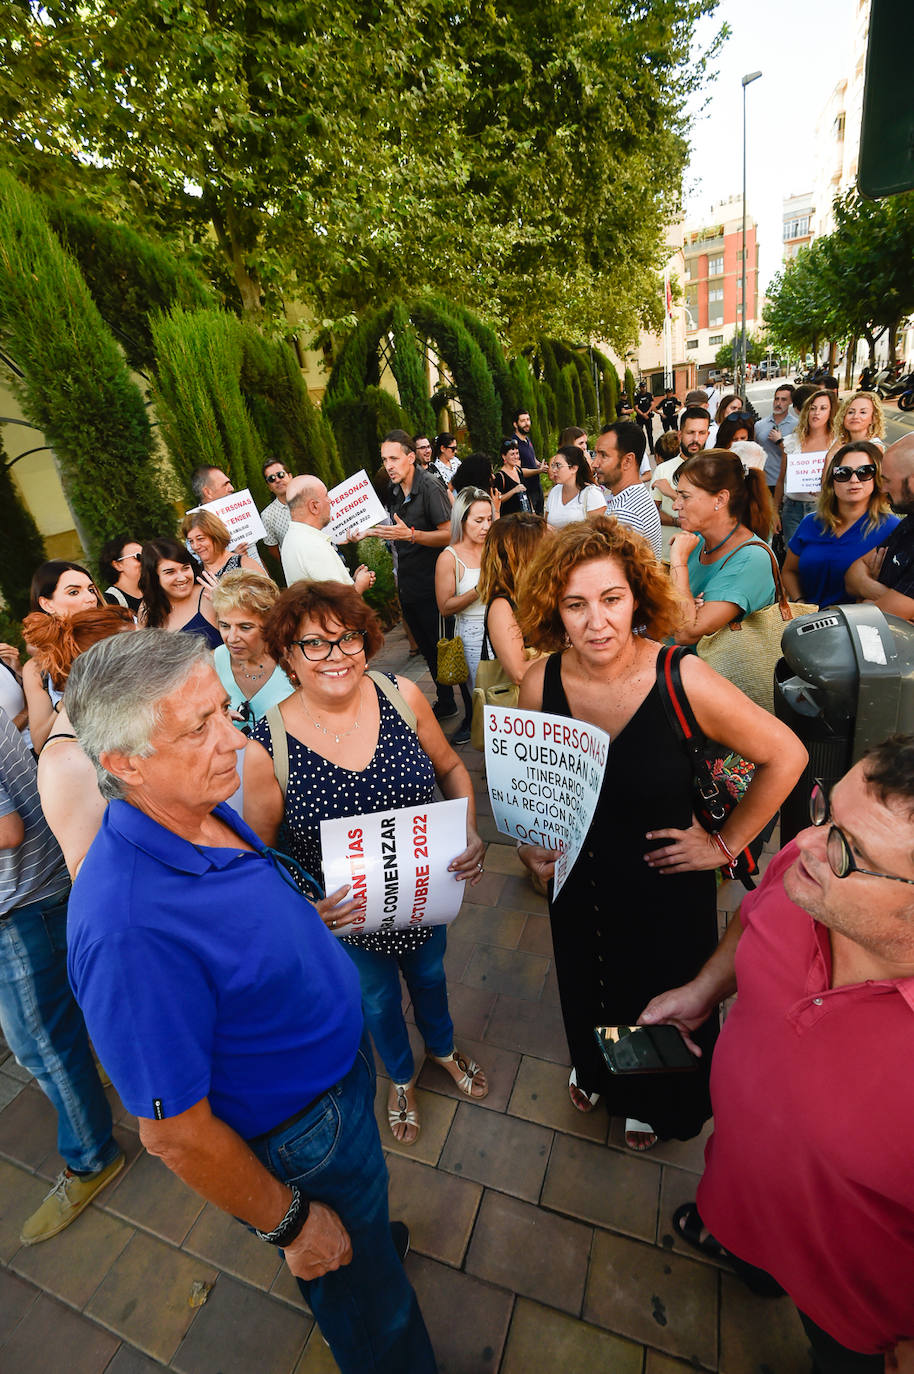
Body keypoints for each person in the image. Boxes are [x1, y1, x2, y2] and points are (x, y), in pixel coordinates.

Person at [64, 630, 437, 1374]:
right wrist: (294, 1225)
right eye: (200, 727)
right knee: (376, 1319)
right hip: (300, 1134)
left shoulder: (193, 805)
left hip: (337, 1078)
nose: (234, 739)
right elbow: (172, 1134)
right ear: (123, 763)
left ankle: (364, 1239)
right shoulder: (127, 927)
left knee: (363, 1236)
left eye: (224, 712)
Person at [513, 519, 805, 1148]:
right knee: (585, 980)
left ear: (637, 598)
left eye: (611, 599)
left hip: (664, 889)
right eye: (576, 605)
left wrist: (726, 844)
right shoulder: (541, 683)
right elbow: (534, 783)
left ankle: (648, 1098)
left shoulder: (682, 679)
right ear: (554, 611)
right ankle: (597, 1067)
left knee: (658, 995)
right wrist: (530, 843)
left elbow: (787, 755)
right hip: (579, 885)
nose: (597, 622)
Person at [642, 741, 914, 1374]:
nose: (807, 843)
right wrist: (706, 988)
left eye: (849, 850)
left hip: (855, 1306)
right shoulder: (808, 868)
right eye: (825, 812)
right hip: (743, 1188)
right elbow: (755, 911)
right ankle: (751, 1257)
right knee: (749, 1250)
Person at [252, 581, 487, 1148]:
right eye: (315, 644)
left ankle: (443, 1048)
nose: (337, 656)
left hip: (423, 893)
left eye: (348, 638)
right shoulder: (268, 745)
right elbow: (258, 857)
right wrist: (306, 908)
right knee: (376, 999)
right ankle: (401, 1077)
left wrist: (468, 827)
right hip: (346, 920)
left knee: (431, 976)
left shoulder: (402, 694)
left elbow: (453, 769)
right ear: (287, 655)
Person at [0, 706, 125, 1246]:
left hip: (19, 902)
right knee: (69, 1016)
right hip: (43, 885)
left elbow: (7, 830)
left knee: (41, 1045)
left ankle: (92, 1158)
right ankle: (103, 1080)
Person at [26, 606, 135, 877]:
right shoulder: (67, 760)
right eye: (137, 652)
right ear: (102, 667)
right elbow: (88, 870)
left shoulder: (118, 723)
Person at [369, 431, 457, 720]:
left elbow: (448, 534)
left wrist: (412, 535)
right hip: (409, 584)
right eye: (384, 460)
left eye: (394, 458)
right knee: (429, 653)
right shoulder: (396, 490)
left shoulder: (430, 486)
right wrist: (365, 533)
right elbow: (394, 531)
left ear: (410, 457)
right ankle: (446, 703)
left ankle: (468, 710)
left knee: (444, 649)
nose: (389, 465)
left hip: (433, 585)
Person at [669, 452, 777, 645]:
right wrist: (684, 606)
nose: (676, 505)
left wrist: (678, 562)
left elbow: (684, 633)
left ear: (720, 499)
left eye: (685, 496)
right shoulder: (698, 542)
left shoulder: (751, 559)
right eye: (677, 495)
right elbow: (671, 611)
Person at [782, 442, 898, 609]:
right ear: (832, 480)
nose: (854, 480)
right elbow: (789, 571)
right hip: (808, 625)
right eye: (843, 473)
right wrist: (801, 603)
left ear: (877, 477)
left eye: (865, 472)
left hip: (859, 628)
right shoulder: (810, 523)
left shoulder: (892, 529)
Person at [435, 488, 494, 745]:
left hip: (503, 629)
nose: (485, 526)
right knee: (483, 700)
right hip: (472, 638)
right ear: (462, 520)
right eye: (478, 520)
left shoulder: (494, 548)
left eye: (489, 519)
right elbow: (445, 606)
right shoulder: (450, 558)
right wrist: (480, 590)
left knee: (507, 696)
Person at [23, 561, 102, 752]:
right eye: (74, 592)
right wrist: (67, 702)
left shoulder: (121, 637)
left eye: (91, 589)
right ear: (47, 604)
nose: (90, 598)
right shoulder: (38, 669)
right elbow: (40, 742)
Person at [210, 570, 294, 731]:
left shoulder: (295, 661)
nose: (232, 637)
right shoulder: (212, 662)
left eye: (245, 627)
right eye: (225, 626)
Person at [845, 434, 914, 617]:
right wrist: (879, 595)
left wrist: (866, 598)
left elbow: (880, 619)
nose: (882, 489)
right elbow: (852, 576)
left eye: (888, 481)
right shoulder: (909, 523)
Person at [477, 513, 550, 685]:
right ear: (525, 555)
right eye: (545, 547)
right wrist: (573, 658)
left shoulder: (538, 593)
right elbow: (519, 673)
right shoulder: (502, 606)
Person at [280, 476, 375, 594]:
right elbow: (340, 602)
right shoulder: (312, 545)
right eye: (326, 495)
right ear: (314, 506)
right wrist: (360, 586)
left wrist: (351, 581)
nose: (330, 501)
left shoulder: (294, 537)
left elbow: (325, 591)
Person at [774, 389, 838, 541]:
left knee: (820, 557)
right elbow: (781, 478)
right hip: (792, 509)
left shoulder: (838, 443)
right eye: (812, 408)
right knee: (793, 555)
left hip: (824, 508)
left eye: (823, 408)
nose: (816, 413)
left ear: (831, 412)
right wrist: (774, 511)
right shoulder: (791, 441)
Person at [591, 422, 662, 558]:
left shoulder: (625, 515)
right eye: (596, 455)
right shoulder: (635, 496)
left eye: (603, 455)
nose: (595, 464)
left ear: (628, 461)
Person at [138, 537, 222, 649]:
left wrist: (227, 603)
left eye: (185, 568)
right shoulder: (147, 609)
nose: (182, 578)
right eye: (170, 572)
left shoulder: (210, 594)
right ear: (154, 577)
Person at [190, 465, 265, 569]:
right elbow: (203, 570)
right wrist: (232, 559)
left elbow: (255, 553)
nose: (232, 488)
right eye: (225, 485)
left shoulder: (239, 512)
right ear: (208, 492)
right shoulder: (194, 528)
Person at [181, 508, 261, 579]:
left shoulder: (245, 565)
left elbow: (268, 595)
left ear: (216, 536)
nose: (195, 546)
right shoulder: (195, 574)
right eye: (191, 541)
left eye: (200, 539)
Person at [544, 445, 607, 529]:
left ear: (574, 468)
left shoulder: (592, 494)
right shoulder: (555, 491)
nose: (554, 470)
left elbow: (597, 532)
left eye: (558, 465)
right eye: (553, 466)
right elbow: (545, 523)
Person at [755, 383, 798, 494]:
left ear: (791, 402)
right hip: (763, 482)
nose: (778, 403)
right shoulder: (759, 425)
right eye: (776, 399)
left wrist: (780, 442)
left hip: (786, 482)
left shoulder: (797, 426)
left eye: (784, 400)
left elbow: (797, 454)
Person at [826, 390, 886, 461]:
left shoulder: (875, 447)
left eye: (863, 412)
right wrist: (829, 456)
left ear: (873, 419)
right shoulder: (838, 443)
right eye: (850, 412)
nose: (855, 416)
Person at [259, 459, 295, 574]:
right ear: (269, 486)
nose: (277, 480)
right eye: (272, 479)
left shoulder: (309, 498)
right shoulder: (267, 516)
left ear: (290, 476)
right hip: (297, 572)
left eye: (280, 475)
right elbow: (273, 548)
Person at [512, 408, 546, 513]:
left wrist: (540, 464)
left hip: (537, 486)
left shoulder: (527, 439)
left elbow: (532, 458)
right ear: (515, 424)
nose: (527, 423)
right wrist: (538, 471)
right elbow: (518, 471)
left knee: (541, 517)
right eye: (523, 421)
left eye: (528, 419)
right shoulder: (514, 444)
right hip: (526, 490)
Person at [99, 536, 144, 613]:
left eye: (146, 557)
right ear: (117, 565)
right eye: (139, 557)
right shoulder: (109, 603)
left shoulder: (156, 589)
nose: (145, 562)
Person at [493, 437, 532, 516]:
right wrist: (514, 490)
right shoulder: (500, 476)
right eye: (512, 454)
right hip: (511, 520)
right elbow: (498, 499)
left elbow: (527, 493)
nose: (516, 457)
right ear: (504, 456)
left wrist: (533, 511)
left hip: (525, 517)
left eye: (517, 453)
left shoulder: (518, 470)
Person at [634, 382, 655, 448]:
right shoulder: (637, 396)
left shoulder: (649, 395)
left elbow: (652, 405)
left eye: (644, 387)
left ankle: (652, 449)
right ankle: (641, 449)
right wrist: (643, 414)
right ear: (640, 388)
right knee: (640, 434)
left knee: (650, 434)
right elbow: (636, 408)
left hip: (648, 417)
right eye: (642, 387)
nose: (643, 388)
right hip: (640, 418)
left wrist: (647, 413)